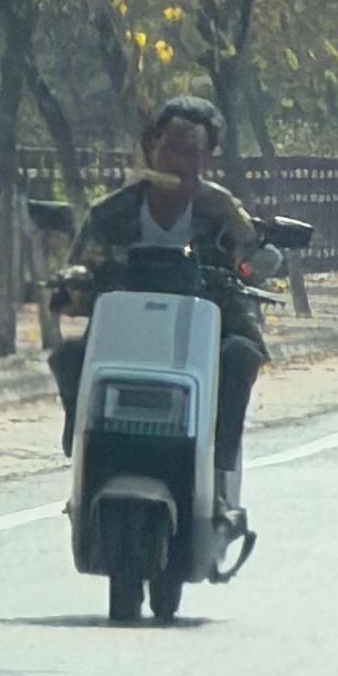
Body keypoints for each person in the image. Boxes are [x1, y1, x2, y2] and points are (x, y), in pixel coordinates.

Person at [46, 94, 267, 516]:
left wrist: (233, 220)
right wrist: (72, 284)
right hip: (126, 328)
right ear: (152, 149)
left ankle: (218, 479)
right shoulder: (113, 211)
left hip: (204, 325)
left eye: (193, 153)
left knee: (240, 356)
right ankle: (84, 449)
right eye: (171, 150)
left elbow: (252, 258)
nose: (180, 163)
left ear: (207, 158)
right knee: (69, 355)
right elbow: (79, 266)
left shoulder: (218, 208)